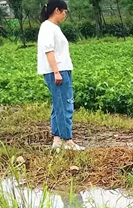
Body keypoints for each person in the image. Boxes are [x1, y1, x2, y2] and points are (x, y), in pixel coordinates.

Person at [37, 0, 85, 151]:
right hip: (57, 71)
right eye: (65, 11)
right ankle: (67, 140)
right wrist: (57, 72)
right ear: (57, 10)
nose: (65, 14)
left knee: (58, 105)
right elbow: (48, 50)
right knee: (65, 105)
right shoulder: (48, 27)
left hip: (61, 70)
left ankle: (57, 141)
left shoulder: (52, 27)